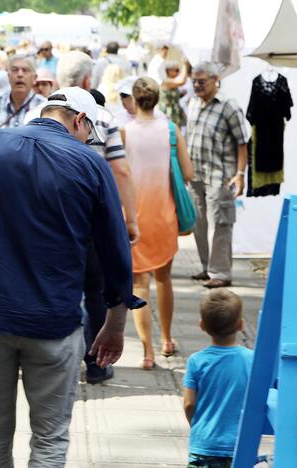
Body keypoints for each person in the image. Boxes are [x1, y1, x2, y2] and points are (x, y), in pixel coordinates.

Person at [0, 87, 137, 467]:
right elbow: (115, 248)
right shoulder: (90, 164)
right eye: (89, 132)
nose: (87, 140)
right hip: (52, 320)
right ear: (79, 120)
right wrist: (115, 321)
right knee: (50, 440)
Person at [54, 50, 139, 384]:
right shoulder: (103, 117)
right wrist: (130, 219)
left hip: (54, 221)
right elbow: (120, 169)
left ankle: (58, 362)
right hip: (94, 221)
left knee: (61, 289)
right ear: (89, 81)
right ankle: (96, 362)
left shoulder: (40, 114)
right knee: (98, 292)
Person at [122, 77, 193, 369]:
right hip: (165, 215)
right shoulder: (172, 131)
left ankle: (147, 351)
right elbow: (187, 173)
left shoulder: (124, 132)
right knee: (164, 279)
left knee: (140, 283)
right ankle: (166, 338)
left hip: (135, 218)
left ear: (134, 101)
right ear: (158, 100)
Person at [187, 61, 249, 289]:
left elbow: (243, 142)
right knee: (198, 223)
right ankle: (207, 267)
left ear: (216, 81)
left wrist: (240, 174)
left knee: (221, 224)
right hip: (196, 175)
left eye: (201, 81)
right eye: (194, 81)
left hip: (220, 176)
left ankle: (221, 272)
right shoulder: (193, 102)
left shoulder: (229, 106)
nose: (197, 85)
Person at [183, 289, 253, 468]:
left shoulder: (196, 361)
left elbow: (189, 404)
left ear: (202, 326)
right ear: (241, 325)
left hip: (204, 444)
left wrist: (197, 425)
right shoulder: (251, 360)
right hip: (238, 443)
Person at [0, 55, 46, 128]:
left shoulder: (44, 107)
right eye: (15, 70)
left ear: (34, 78)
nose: (20, 74)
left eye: (25, 70)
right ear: (8, 76)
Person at [159, 60, 190, 131]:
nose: (178, 72)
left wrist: (181, 94)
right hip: (169, 114)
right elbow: (182, 81)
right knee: (172, 135)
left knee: (177, 134)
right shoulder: (167, 82)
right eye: (176, 70)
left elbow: (172, 97)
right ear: (169, 71)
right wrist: (186, 65)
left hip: (175, 112)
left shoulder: (172, 82)